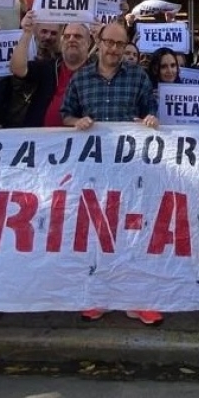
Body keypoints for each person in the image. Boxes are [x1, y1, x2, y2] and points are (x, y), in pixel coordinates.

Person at [58, 22, 162, 326]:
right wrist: (75, 122)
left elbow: (151, 113)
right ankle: (98, 298)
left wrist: (151, 119)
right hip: (93, 173)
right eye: (109, 43)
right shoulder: (81, 78)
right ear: (99, 42)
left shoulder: (138, 77)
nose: (114, 49)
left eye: (120, 44)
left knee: (134, 234)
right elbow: (66, 114)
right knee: (97, 236)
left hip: (131, 171)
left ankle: (138, 300)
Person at [12, 12, 92, 128]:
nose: (71, 39)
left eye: (78, 36)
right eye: (67, 36)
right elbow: (17, 69)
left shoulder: (96, 72)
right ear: (61, 41)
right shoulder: (48, 68)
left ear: (89, 42)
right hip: (41, 139)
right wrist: (27, 32)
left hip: (79, 140)